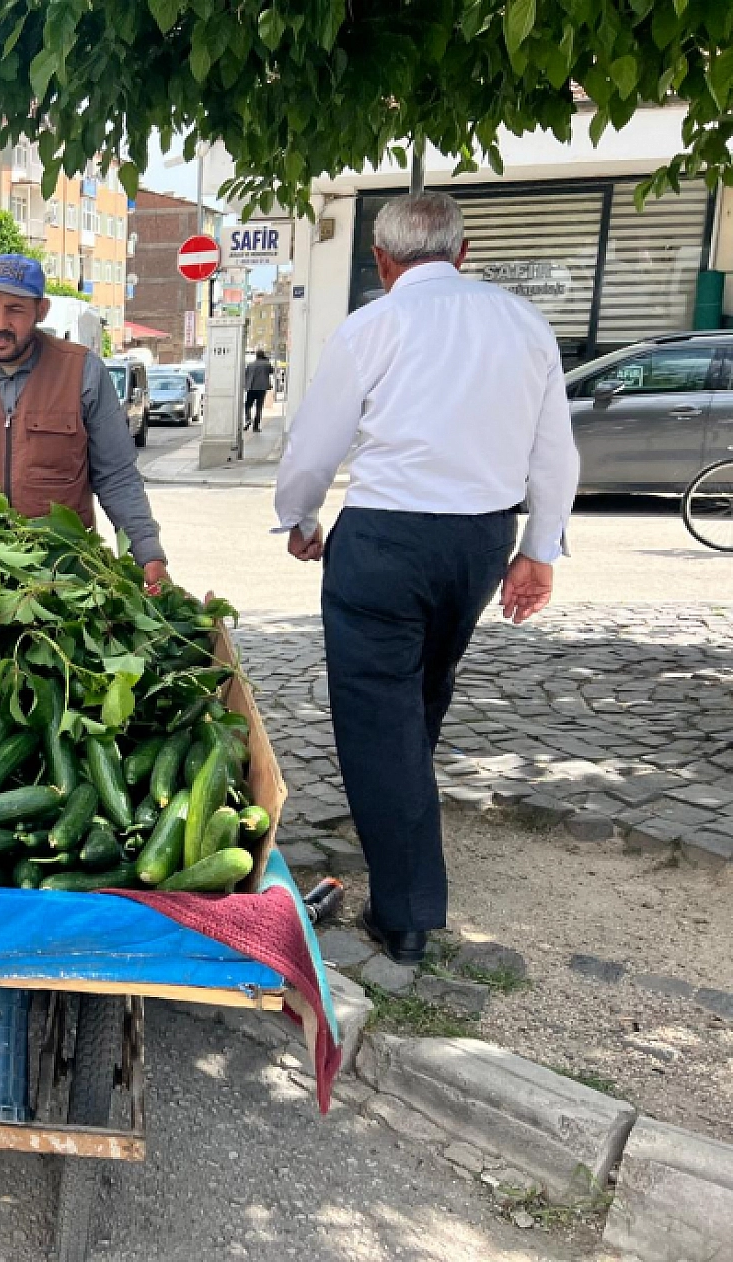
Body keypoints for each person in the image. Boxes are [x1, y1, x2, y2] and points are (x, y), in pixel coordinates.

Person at [274, 192, 578, 966]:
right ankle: (402, 822)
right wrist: (537, 549)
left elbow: (315, 443)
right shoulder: (525, 324)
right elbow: (554, 453)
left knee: (379, 717)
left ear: (381, 261)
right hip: (479, 541)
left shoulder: (373, 325)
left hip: (385, 536)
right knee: (421, 695)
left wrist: (301, 519)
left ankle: (406, 913)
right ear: (463, 252)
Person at [0, 253, 168, 589]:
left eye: (14, 310)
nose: (0, 324)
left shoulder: (83, 372)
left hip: (64, 575)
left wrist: (148, 554)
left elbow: (117, 476)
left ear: (40, 311)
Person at [243, 349, 273, 432]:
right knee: (259, 407)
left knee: (248, 405)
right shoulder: (267, 364)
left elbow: (246, 375)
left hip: (251, 387)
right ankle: (256, 427)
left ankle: (248, 419)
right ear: (263, 355)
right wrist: (266, 360)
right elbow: (271, 371)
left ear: (256, 355)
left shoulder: (250, 364)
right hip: (262, 388)